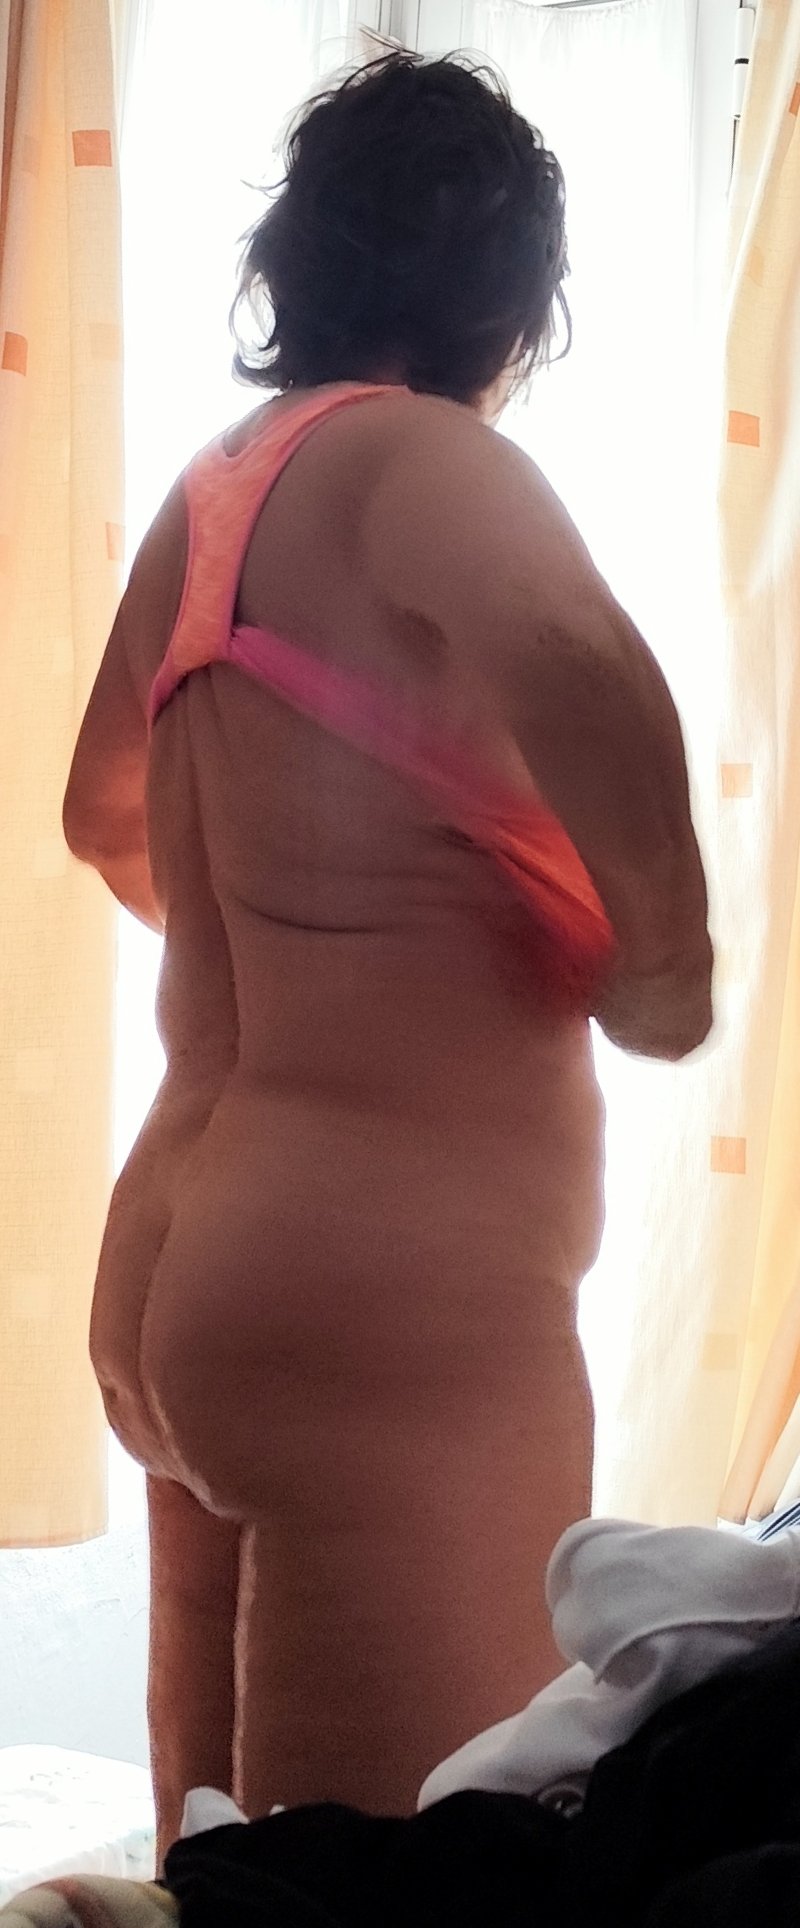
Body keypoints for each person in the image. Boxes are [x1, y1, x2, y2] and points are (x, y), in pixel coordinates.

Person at [63, 53, 712, 1862]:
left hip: (186, 1258)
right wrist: (665, 971)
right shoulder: (429, 458)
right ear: (515, 297)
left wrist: (306, 933)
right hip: (388, 1321)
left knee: (230, 1870)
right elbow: (578, 660)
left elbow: (102, 815)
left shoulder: (219, 492)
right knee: (412, 1887)